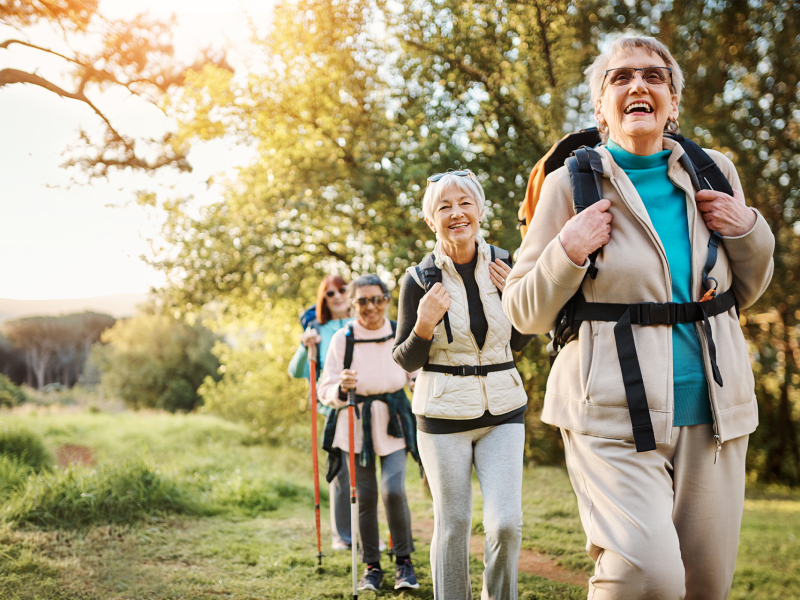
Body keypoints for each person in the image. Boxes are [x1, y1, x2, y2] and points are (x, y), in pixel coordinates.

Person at [503, 36, 775, 599]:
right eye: (620, 77)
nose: (638, 86)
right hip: (609, 412)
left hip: (716, 412)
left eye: (654, 76)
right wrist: (568, 250)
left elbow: (743, 293)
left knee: (704, 587)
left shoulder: (713, 171)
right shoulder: (568, 185)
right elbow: (524, 312)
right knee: (646, 577)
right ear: (601, 107)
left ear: (672, 102)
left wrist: (748, 230)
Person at [392, 170, 533, 600]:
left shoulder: (506, 264)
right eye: (444, 207)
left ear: (481, 210)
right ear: (431, 221)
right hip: (441, 417)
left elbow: (519, 342)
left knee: (505, 524)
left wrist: (517, 299)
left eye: (465, 203)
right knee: (452, 527)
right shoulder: (418, 280)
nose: (457, 214)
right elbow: (405, 358)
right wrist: (424, 324)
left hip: (504, 412)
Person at [318, 274, 421, 592]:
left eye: (377, 299)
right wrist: (340, 387)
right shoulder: (343, 338)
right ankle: (372, 567)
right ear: (353, 304)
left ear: (388, 301)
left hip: (394, 420)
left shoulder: (400, 331)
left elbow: (416, 374)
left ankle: (404, 561)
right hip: (355, 423)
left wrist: (421, 387)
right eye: (362, 301)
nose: (371, 307)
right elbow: (325, 389)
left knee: (393, 490)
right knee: (364, 498)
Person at [288, 275, 353, 551]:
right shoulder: (317, 330)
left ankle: (368, 533)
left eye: (342, 290)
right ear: (323, 299)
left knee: (366, 473)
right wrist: (305, 346)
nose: (337, 296)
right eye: (330, 293)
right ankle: (343, 537)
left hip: (368, 405)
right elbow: (297, 371)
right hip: (335, 409)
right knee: (342, 472)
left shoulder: (363, 323)